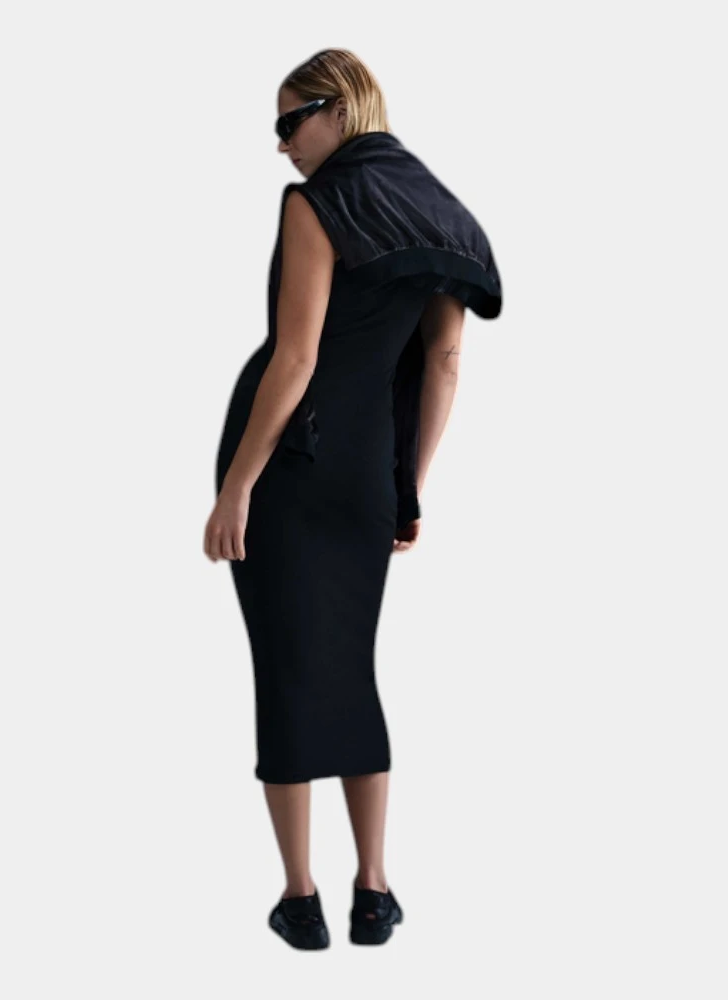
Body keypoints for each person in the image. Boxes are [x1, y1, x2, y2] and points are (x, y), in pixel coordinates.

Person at [204, 48, 503, 949]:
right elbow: (443, 363)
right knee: (350, 666)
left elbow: (294, 359)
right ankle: (375, 890)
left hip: (289, 467)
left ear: (339, 109)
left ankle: (300, 898)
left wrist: (237, 486)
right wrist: (409, 483)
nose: (282, 145)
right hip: (368, 472)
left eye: (289, 122)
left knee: (288, 669)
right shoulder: (445, 216)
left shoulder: (318, 203)